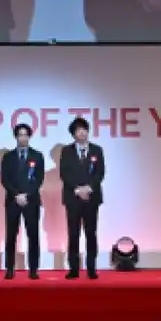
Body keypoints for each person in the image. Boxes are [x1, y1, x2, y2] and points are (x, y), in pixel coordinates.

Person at [58, 117, 105, 279]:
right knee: (73, 234)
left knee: (91, 233)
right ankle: (74, 268)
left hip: (92, 198)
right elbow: (64, 174)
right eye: (79, 130)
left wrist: (89, 188)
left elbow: (100, 173)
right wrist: (78, 189)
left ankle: (91, 268)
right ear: (73, 134)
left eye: (84, 129)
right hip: (73, 198)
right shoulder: (66, 151)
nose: (82, 133)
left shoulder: (97, 150)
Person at [0, 123, 44, 279]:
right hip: (13, 201)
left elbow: (39, 179)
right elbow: (5, 179)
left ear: (29, 137)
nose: (23, 138)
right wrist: (17, 195)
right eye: (20, 135)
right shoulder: (8, 157)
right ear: (16, 137)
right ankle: (10, 268)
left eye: (25, 135)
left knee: (33, 236)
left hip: (31, 201)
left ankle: (33, 269)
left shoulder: (37, 156)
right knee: (11, 235)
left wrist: (27, 195)